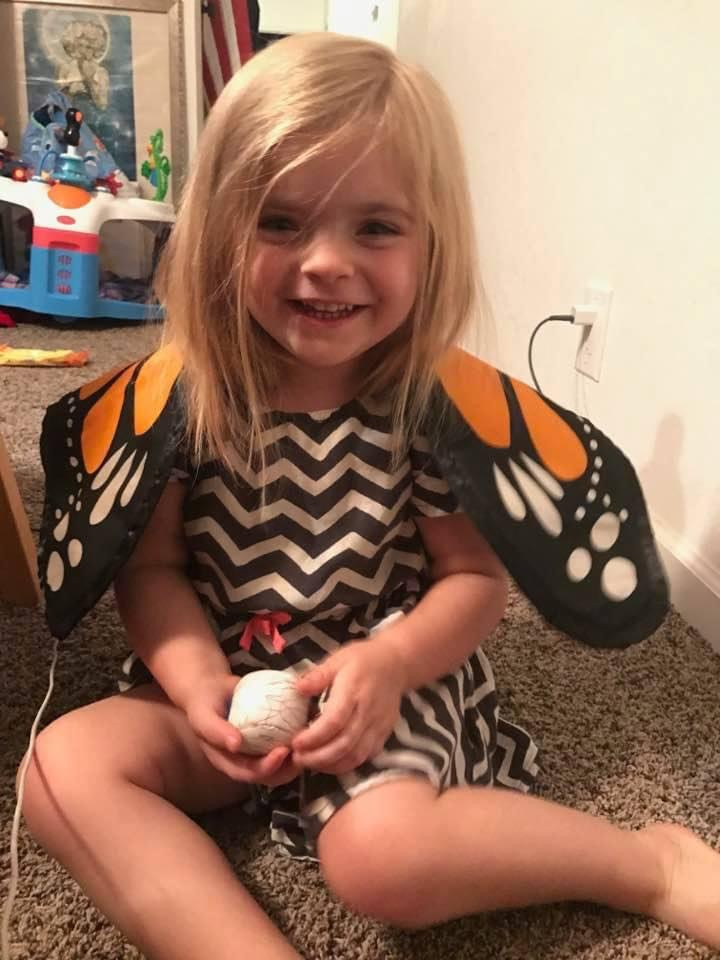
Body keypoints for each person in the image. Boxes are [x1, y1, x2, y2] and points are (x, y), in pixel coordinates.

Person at [20, 31, 720, 960]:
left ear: (433, 244)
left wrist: (389, 666)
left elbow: (474, 582)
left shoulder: (428, 410)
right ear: (219, 231)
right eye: (280, 222)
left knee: (380, 860)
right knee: (59, 769)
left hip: (390, 679)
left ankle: (648, 862)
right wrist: (194, 686)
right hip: (232, 676)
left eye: (376, 228)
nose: (325, 262)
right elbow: (151, 573)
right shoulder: (187, 399)